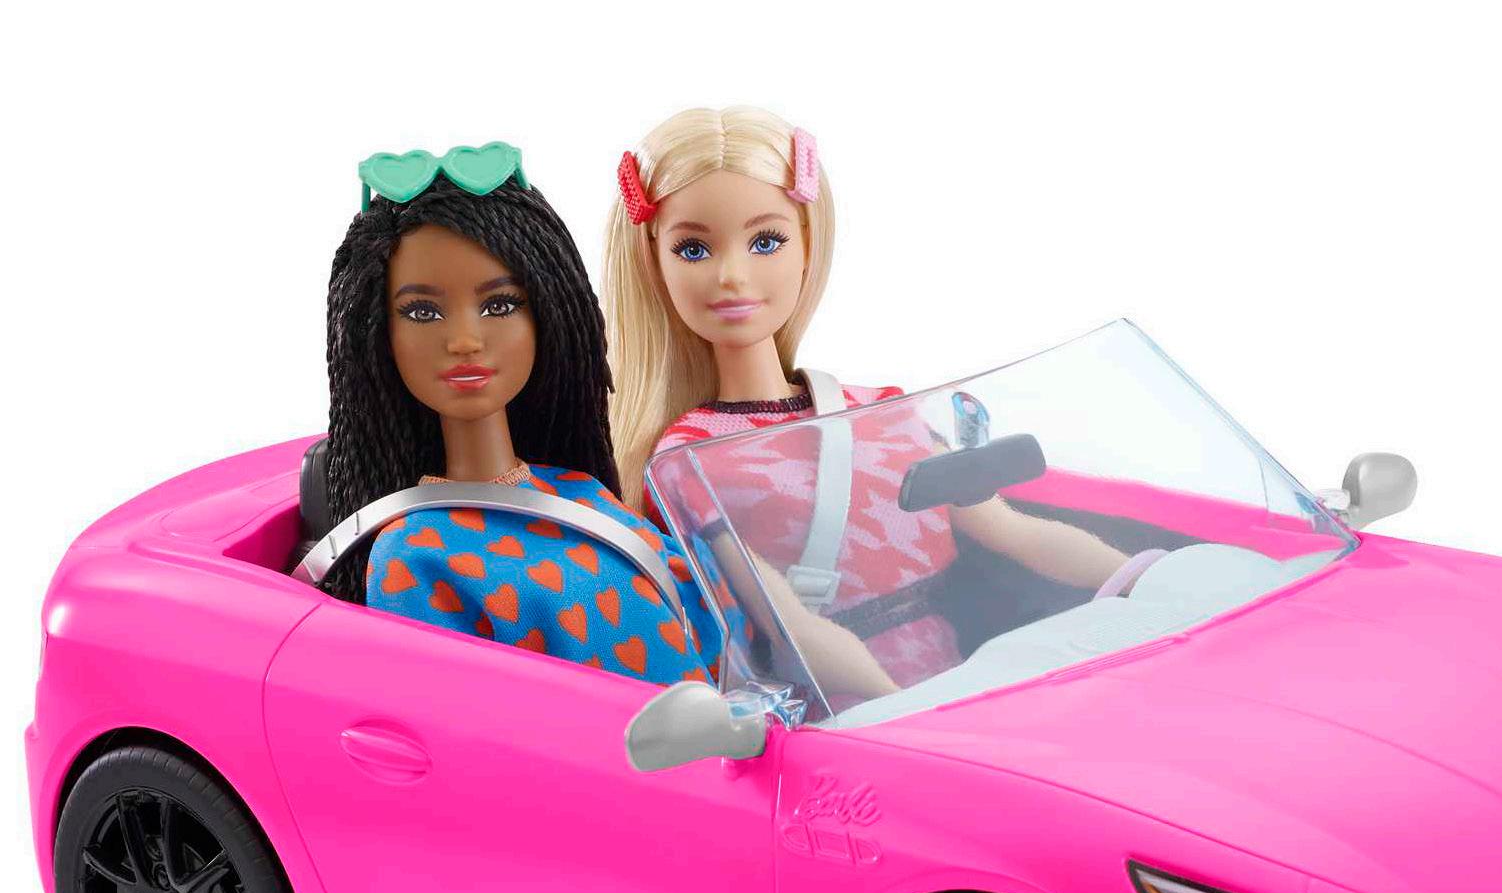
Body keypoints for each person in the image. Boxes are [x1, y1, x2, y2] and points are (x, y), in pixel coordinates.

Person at [601, 107, 1130, 698]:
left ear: (807, 245)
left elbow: (1012, 530)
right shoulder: (689, 457)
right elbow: (791, 625)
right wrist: (897, 714)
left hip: (967, 683)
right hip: (851, 710)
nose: (732, 274)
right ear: (654, 263)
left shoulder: (879, 410)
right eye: (693, 249)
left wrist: (1145, 574)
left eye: (766, 241)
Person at [322, 142, 735, 683]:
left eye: (499, 305)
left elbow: (710, 628)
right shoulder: (413, 553)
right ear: (376, 333)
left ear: (548, 312)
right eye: (423, 312)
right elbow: (454, 715)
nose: (465, 340)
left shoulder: (578, 488)